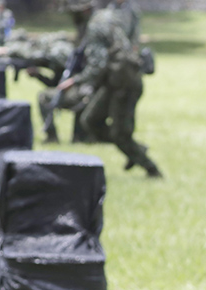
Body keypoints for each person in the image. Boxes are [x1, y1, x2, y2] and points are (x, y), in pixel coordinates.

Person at [61, 0, 162, 177]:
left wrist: (75, 81)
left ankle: (152, 169)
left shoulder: (96, 25)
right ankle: (134, 148)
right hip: (114, 81)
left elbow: (97, 65)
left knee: (120, 134)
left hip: (125, 84)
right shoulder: (106, 17)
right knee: (90, 120)